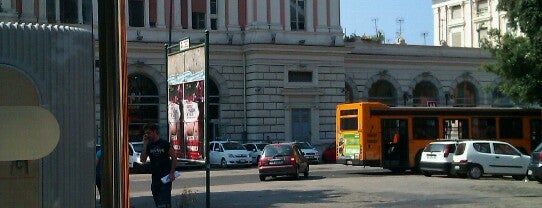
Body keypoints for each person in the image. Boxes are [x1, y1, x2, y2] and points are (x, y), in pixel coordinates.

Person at [140, 123, 178, 208]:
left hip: (165, 177)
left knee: (164, 203)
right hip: (155, 178)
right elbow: (143, 160)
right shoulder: (149, 145)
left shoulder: (165, 144)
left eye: (149, 133)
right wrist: (145, 144)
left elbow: (174, 158)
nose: (147, 135)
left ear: (155, 132)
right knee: (157, 201)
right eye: (146, 133)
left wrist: (172, 173)